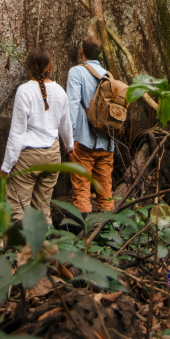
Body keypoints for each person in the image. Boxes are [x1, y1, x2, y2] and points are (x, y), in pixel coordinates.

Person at [1, 45, 74, 223]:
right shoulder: (60, 92)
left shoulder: (24, 91)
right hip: (52, 156)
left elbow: (17, 132)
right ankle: (45, 247)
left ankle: (18, 248)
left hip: (28, 158)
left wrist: (7, 165)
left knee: (17, 208)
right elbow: (66, 125)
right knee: (42, 209)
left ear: (28, 67)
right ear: (50, 66)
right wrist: (70, 146)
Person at [66, 34, 114, 217]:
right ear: (99, 54)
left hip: (84, 141)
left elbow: (72, 104)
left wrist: (68, 138)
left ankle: (84, 234)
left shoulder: (76, 72)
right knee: (105, 190)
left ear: (81, 51)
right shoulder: (109, 75)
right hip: (107, 141)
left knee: (82, 188)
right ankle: (108, 233)